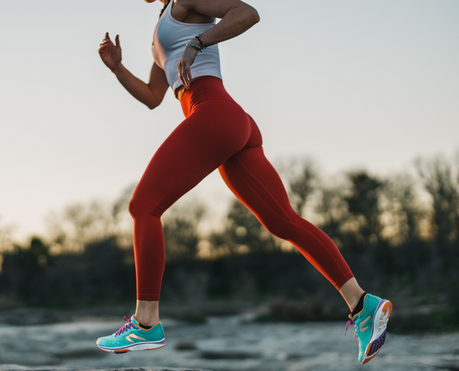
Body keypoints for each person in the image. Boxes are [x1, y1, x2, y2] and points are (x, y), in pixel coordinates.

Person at [95, 0, 392, 364]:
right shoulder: (161, 28)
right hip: (230, 122)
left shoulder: (184, 2)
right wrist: (117, 69)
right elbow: (153, 97)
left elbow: (247, 13)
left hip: (214, 113)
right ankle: (363, 304)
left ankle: (145, 322)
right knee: (284, 222)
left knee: (143, 207)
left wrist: (197, 42)